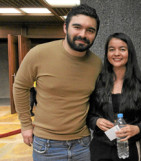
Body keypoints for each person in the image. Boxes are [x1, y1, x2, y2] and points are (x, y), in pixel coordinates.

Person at [13, 4, 102, 161]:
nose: (83, 34)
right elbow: (20, 87)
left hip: (82, 144)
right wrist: (26, 125)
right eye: (77, 27)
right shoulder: (39, 54)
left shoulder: (96, 63)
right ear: (65, 28)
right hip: (47, 145)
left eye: (90, 30)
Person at [87, 33, 141, 161]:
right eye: (111, 49)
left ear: (129, 53)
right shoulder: (97, 82)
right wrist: (96, 121)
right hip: (100, 149)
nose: (116, 53)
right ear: (106, 53)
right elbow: (88, 115)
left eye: (122, 49)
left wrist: (137, 129)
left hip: (128, 150)